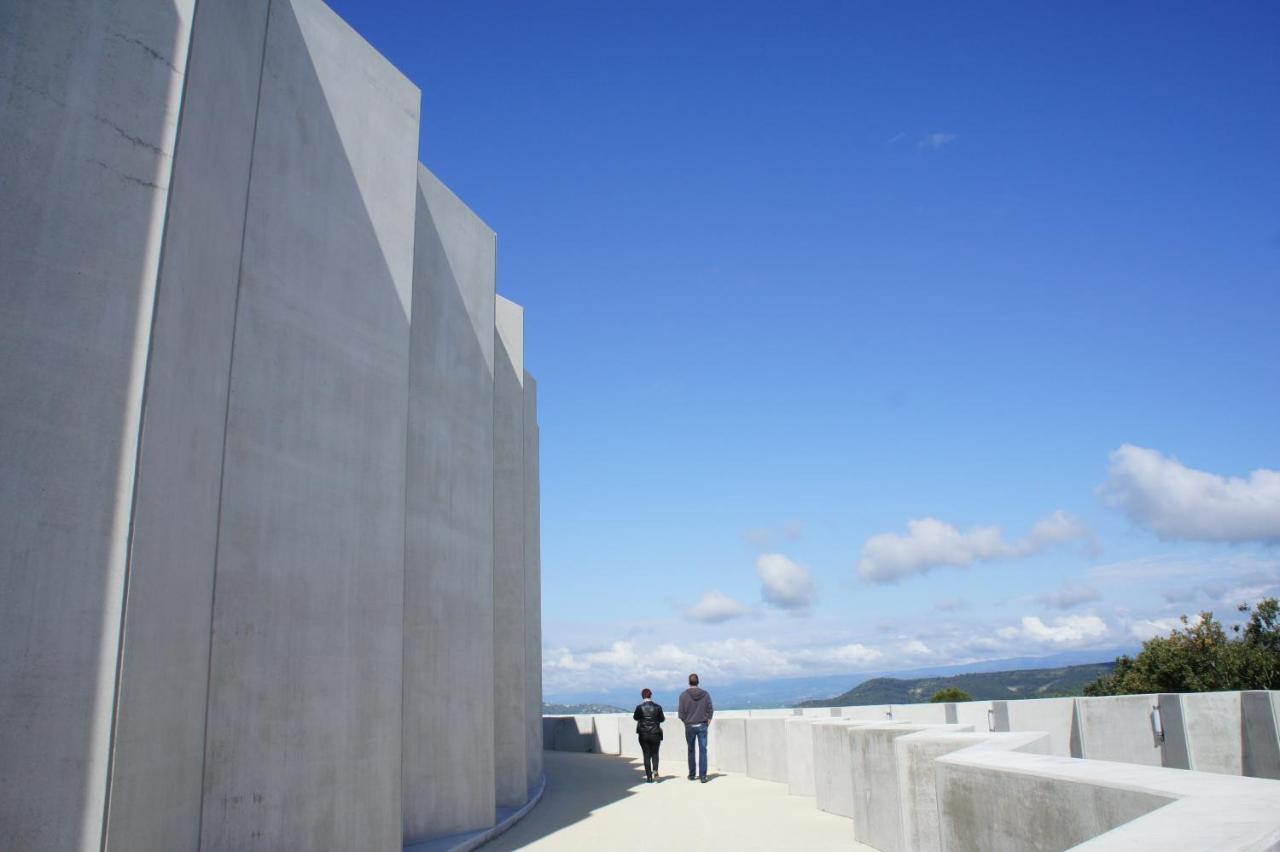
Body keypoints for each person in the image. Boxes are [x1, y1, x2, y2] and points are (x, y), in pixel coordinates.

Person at [678, 672, 714, 782]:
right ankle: (703, 776)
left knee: (691, 750)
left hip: (689, 726)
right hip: (702, 725)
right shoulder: (706, 694)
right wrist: (706, 723)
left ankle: (692, 774)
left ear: (689, 682)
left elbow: (681, 714)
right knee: (703, 750)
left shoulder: (683, 695)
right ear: (698, 682)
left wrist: (686, 722)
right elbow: (710, 710)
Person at [632, 688, 665, 782]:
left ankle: (649, 777)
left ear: (642, 696)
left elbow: (635, 717)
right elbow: (662, 719)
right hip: (655, 733)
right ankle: (655, 771)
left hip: (643, 734)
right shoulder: (658, 707)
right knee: (655, 753)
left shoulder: (639, 707)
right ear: (651, 695)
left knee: (646, 755)